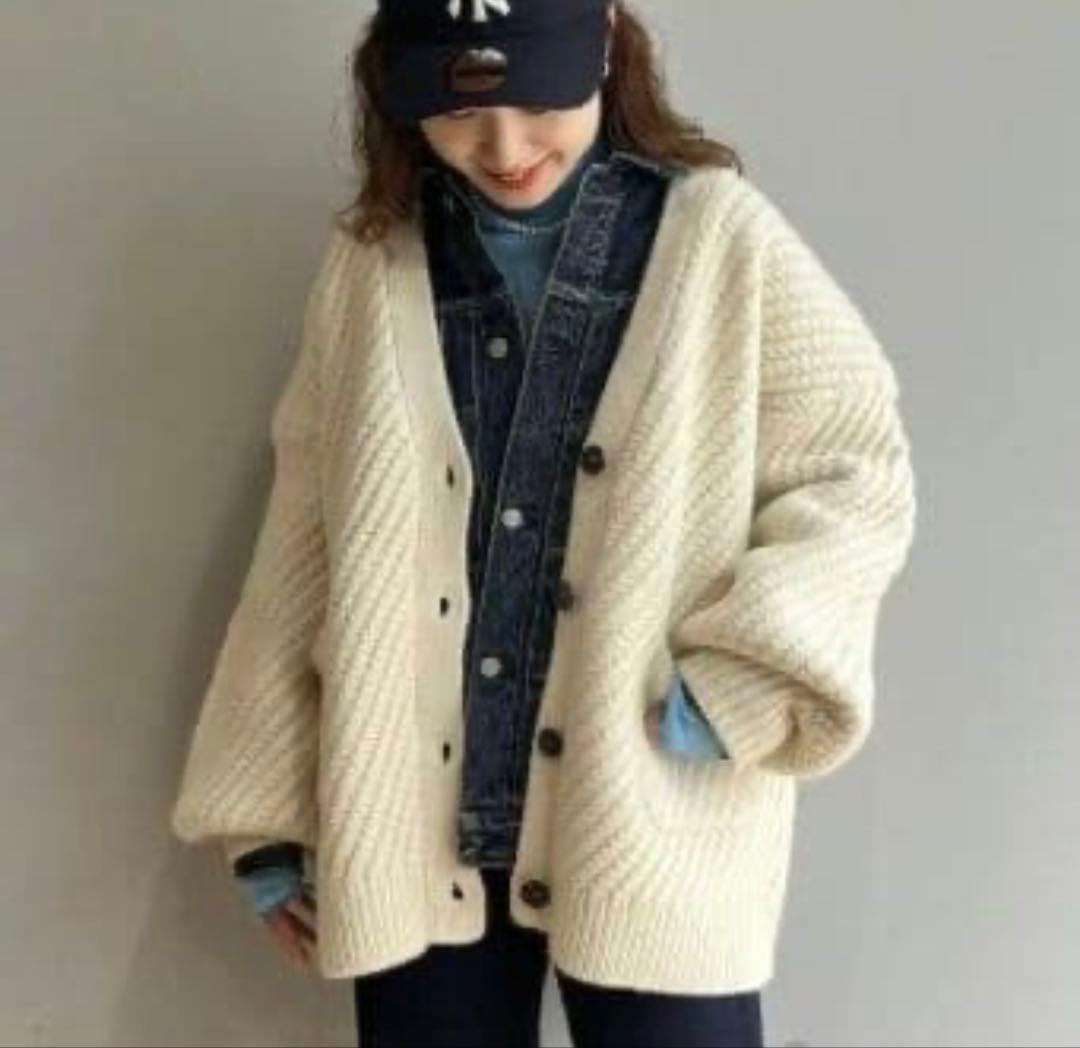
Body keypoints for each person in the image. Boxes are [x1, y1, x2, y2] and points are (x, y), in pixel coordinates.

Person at [170, 1, 918, 1045]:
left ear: (606, 41)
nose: (506, 147)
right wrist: (263, 808)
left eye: (541, 99)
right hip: (416, 817)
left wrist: (746, 681)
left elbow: (855, 470)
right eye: (459, 111)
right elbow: (308, 530)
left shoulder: (717, 236)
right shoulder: (375, 263)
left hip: (648, 794)